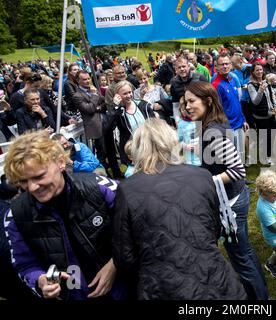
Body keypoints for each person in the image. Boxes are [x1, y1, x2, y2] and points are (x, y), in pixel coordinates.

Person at [112, 118, 246, 299]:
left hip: (167, 284)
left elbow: (125, 257)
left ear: (137, 148)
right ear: (172, 142)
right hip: (212, 279)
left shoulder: (128, 188)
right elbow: (214, 229)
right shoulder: (201, 175)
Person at [3, 130, 126, 300]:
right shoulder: (16, 215)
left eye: (39, 177)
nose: (32, 188)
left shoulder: (100, 188)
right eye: (23, 181)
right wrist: (40, 280)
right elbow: (25, 264)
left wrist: (115, 264)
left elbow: (138, 229)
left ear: (61, 162)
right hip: (72, 295)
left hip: (122, 289)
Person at [184, 81, 269, 300]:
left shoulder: (213, 131)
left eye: (192, 101)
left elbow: (237, 170)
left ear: (208, 101)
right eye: (185, 102)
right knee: (245, 252)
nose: (187, 106)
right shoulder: (211, 125)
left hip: (232, 204)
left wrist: (203, 181)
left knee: (241, 259)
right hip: (233, 199)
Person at [111, 80, 156, 165]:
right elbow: (110, 126)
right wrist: (115, 107)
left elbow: (154, 124)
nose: (128, 96)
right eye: (125, 94)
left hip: (150, 145)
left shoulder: (143, 105)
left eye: (130, 92)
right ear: (118, 96)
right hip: (133, 150)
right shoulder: (119, 112)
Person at [247, 62, 276, 164]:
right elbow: (255, 101)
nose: (259, 72)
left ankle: (270, 155)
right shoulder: (251, 85)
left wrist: (275, 107)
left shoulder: (266, 82)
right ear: (253, 72)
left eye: (261, 69)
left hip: (270, 113)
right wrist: (260, 90)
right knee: (265, 136)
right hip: (260, 116)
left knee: (272, 135)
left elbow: (271, 97)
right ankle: (265, 158)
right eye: (257, 70)